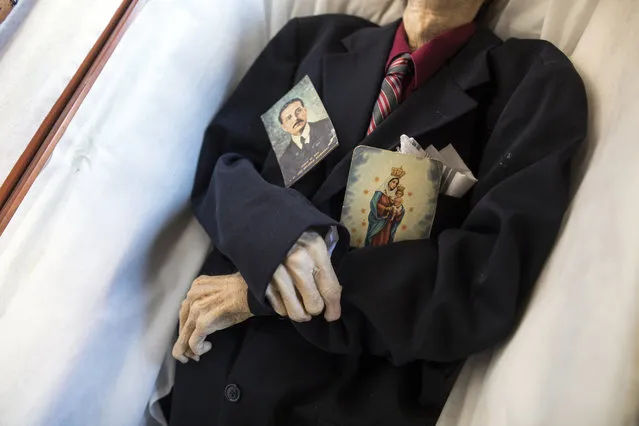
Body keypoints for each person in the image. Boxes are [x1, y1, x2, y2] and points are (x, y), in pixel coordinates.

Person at [167, 0, 588, 425]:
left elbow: (478, 283)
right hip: (203, 377)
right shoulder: (313, 42)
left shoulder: (529, 85)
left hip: (338, 397)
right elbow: (227, 163)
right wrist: (277, 235)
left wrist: (269, 292)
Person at [277, 98, 334, 175]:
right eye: (289, 118)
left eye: (298, 111)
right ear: (284, 127)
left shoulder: (328, 125)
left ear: (305, 110)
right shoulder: (284, 162)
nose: (295, 118)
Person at [365, 176, 406, 246]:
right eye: (393, 182)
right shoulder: (380, 192)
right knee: (375, 240)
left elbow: (395, 207)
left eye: (396, 184)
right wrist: (385, 208)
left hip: (387, 223)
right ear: (388, 181)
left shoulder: (393, 195)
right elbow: (374, 203)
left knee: (385, 241)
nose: (395, 185)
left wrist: (400, 210)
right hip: (378, 221)